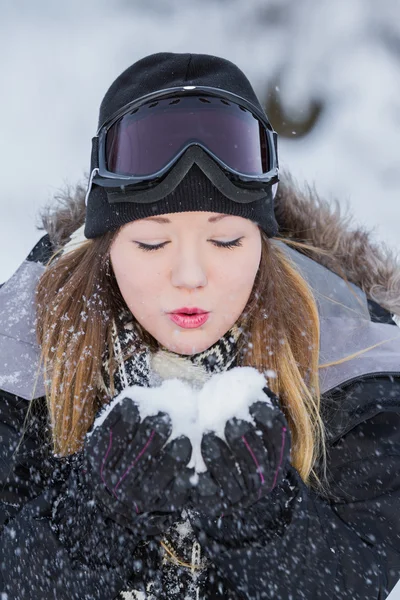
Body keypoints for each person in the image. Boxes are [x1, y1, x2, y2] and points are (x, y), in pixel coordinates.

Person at [0, 52, 399, 600]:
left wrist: (266, 522)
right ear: (107, 247)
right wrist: (89, 521)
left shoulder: (353, 358)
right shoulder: (20, 350)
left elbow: (366, 575)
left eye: (226, 240)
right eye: (152, 242)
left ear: (263, 242)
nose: (190, 276)